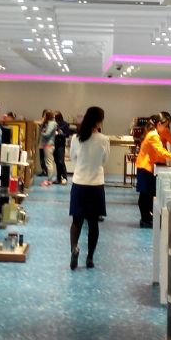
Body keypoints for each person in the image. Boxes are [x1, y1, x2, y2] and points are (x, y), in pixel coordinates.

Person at [68, 106, 110, 269]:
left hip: (79, 183)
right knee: (93, 224)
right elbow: (105, 160)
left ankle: (74, 248)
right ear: (99, 121)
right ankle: (90, 257)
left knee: (76, 222)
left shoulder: (76, 138)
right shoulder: (104, 139)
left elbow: (72, 158)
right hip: (96, 185)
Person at [135, 113, 171, 227]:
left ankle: (146, 218)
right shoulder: (154, 135)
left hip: (145, 166)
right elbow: (161, 151)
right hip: (145, 167)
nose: (166, 128)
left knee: (146, 194)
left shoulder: (152, 133)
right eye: (165, 125)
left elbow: (159, 151)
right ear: (159, 124)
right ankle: (145, 219)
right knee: (146, 194)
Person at [53, 111, 71, 184]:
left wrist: (59, 134)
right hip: (54, 144)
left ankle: (65, 177)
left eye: (54, 117)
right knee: (57, 162)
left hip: (60, 145)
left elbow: (67, 134)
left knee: (61, 161)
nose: (53, 118)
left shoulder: (65, 124)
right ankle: (58, 178)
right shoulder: (54, 124)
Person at [40, 110, 57, 184]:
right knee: (48, 162)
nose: (43, 117)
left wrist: (42, 132)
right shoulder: (49, 123)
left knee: (49, 163)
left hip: (49, 145)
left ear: (47, 116)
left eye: (44, 116)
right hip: (47, 145)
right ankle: (49, 179)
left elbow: (47, 134)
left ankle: (49, 180)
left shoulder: (52, 123)